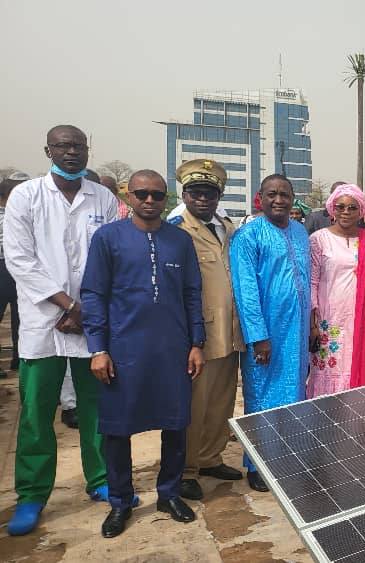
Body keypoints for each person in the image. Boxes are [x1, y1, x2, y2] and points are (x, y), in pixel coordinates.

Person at [3, 126, 118, 536]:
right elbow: (19, 260)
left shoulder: (103, 198)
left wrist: (87, 309)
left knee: (96, 408)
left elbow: (108, 258)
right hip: (43, 322)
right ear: (48, 149)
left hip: (91, 322)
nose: (72, 153)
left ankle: (102, 479)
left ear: (89, 150)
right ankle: (32, 494)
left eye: (79, 146)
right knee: (36, 412)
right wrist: (67, 305)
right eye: (64, 146)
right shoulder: (27, 196)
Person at [81, 170, 206, 538]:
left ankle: (168, 493)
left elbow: (192, 293)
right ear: (129, 196)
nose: (149, 201)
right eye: (142, 194)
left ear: (166, 198)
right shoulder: (108, 238)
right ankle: (120, 501)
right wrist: (98, 349)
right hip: (123, 350)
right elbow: (93, 293)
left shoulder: (180, 241)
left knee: (175, 424)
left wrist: (196, 342)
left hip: (172, 349)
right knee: (118, 429)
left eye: (157, 195)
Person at [167, 160, 246, 501]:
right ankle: (186, 468)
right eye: (196, 193)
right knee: (194, 405)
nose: (203, 199)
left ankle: (211, 457)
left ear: (219, 196)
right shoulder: (175, 230)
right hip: (198, 334)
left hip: (229, 331)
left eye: (210, 193)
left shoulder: (226, 226)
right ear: (184, 195)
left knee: (221, 400)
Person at [230, 174, 310, 493]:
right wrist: (258, 336)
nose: (279, 200)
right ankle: (257, 463)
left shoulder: (301, 231)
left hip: (298, 328)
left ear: (293, 198)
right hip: (266, 332)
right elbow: (245, 290)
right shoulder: (248, 236)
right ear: (259, 198)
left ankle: (287, 457)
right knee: (262, 394)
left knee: (293, 392)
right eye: (272, 194)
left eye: (285, 194)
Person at [308, 184, 365, 396]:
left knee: (355, 369)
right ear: (332, 209)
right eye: (340, 207)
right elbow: (312, 282)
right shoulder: (319, 239)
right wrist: (313, 324)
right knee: (326, 371)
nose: (345, 212)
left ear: (362, 211)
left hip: (360, 320)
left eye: (352, 207)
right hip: (329, 319)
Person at [0, 172, 29, 378]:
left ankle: (20, 358)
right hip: (2, 269)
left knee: (23, 317)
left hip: (22, 271)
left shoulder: (26, 213)